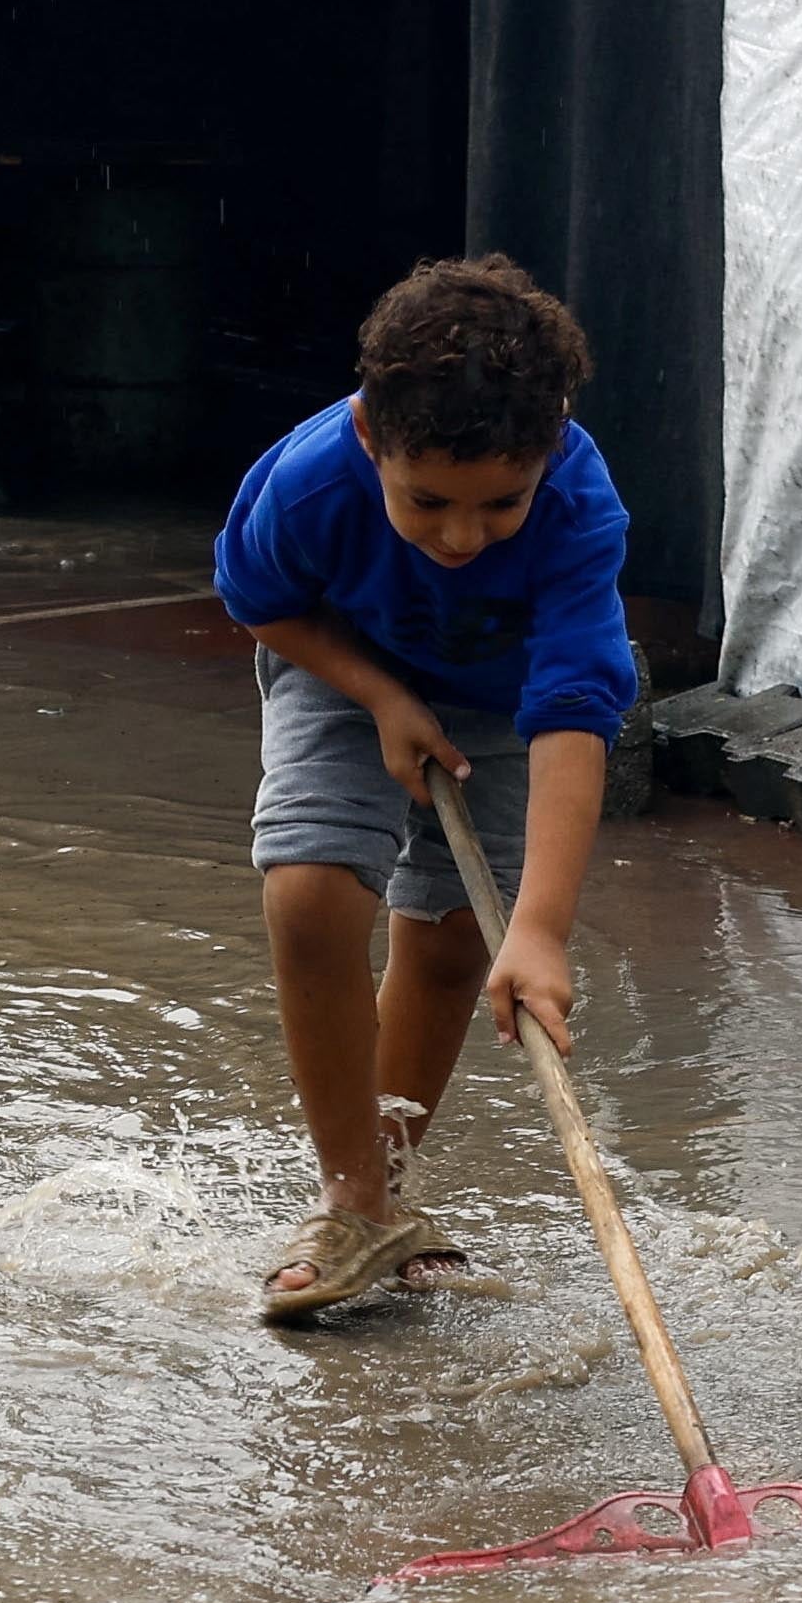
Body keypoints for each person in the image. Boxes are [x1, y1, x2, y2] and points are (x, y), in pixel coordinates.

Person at [220, 257, 636, 1323]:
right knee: (311, 888)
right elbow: (260, 600)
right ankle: (346, 1193)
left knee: (457, 937)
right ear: (371, 440)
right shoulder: (312, 479)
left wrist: (538, 930)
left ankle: (384, 1199)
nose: (461, 537)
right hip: (339, 659)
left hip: (502, 703)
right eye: (427, 503)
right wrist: (379, 697)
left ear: (548, 454)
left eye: (501, 502)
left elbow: (570, 720)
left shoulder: (581, 512)